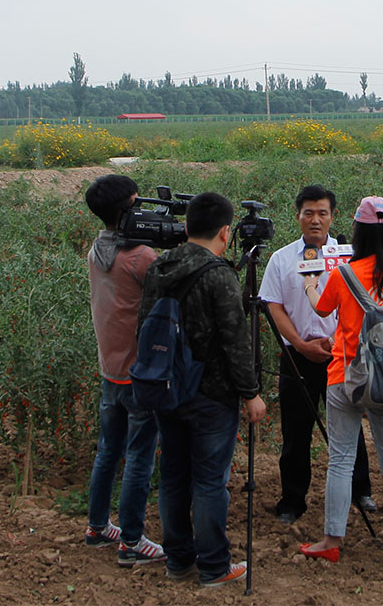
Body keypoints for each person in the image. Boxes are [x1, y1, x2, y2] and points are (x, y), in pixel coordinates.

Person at [138, 192, 267, 588]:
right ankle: (214, 566)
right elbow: (235, 341)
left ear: (187, 225)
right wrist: (251, 393)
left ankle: (178, 560)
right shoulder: (218, 275)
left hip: (166, 388)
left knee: (174, 477)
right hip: (211, 395)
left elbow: (144, 325)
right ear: (226, 232)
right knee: (210, 482)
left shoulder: (160, 266)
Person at [298, 196, 383, 562]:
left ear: (358, 231)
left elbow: (321, 308)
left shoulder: (343, 274)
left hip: (346, 378)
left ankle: (331, 542)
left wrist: (309, 283)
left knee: (340, 460)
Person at [258, 185, 376, 525]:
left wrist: (338, 343)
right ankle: (292, 500)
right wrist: (300, 343)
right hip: (296, 356)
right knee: (296, 432)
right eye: (308, 213)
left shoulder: (350, 258)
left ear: (332, 217)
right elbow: (273, 306)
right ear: (297, 217)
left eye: (322, 213)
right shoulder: (282, 259)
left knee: (350, 427)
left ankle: (360, 490)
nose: (315, 220)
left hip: (342, 356)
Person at [83, 174, 166, 567]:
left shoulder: (97, 250)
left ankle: (98, 525)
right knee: (139, 458)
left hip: (110, 369)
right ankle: (132, 541)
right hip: (139, 374)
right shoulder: (140, 258)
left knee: (108, 451)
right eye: (137, 204)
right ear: (127, 210)